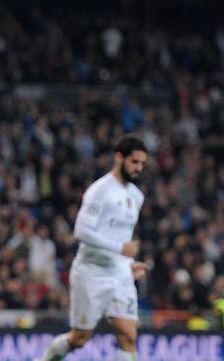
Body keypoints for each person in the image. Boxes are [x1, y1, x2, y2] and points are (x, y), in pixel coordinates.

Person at [37, 135, 149, 361]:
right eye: (134, 162)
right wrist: (120, 248)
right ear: (119, 157)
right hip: (91, 272)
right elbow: (81, 231)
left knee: (128, 336)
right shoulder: (100, 190)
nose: (138, 168)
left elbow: (120, 235)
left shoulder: (136, 196)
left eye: (142, 164)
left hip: (119, 273)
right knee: (79, 338)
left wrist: (127, 262)